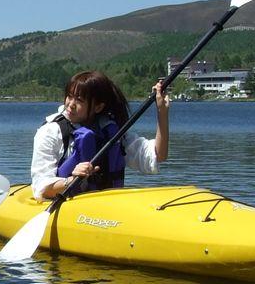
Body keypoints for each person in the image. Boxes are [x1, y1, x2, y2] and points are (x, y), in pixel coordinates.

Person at [31, 70, 169, 201]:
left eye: (79, 100)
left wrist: (162, 111)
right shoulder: (50, 132)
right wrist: (70, 180)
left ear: (98, 107)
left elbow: (158, 155)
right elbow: (41, 188)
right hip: (66, 205)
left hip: (105, 206)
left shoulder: (111, 131)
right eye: (69, 96)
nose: (70, 105)